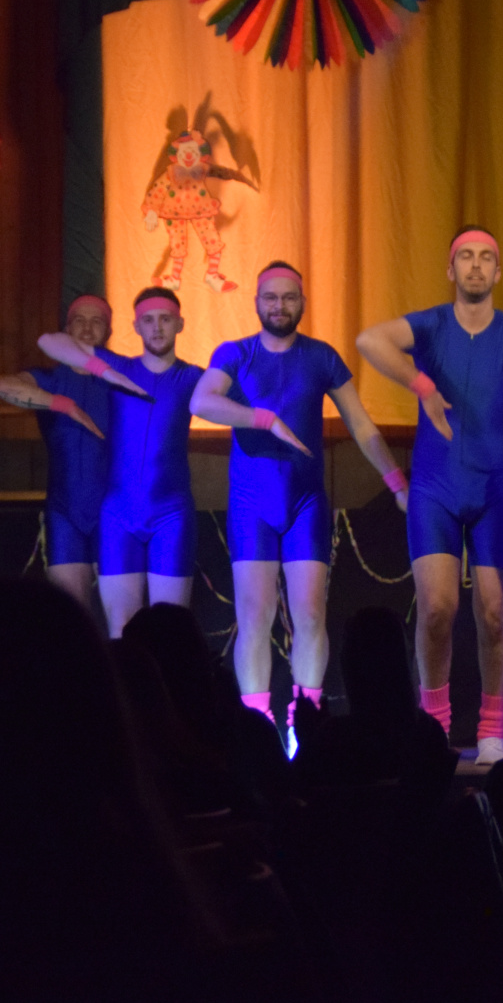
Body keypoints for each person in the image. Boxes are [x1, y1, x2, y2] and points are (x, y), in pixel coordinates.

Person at [192, 261, 406, 754]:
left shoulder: (321, 356)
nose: (280, 305)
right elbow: (201, 402)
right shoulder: (235, 353)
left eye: (289, 297)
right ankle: (257, 724)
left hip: (305, 502)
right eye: (271, 297)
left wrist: (395, 480)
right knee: (255, 614)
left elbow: (361, 425)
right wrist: (262, 419)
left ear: (303, 303)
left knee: (310, 614)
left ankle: (304, 719)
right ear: (256, 302)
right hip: (251, 504)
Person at [356, 226, 503, 765]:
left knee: (495, 614)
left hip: (494, 488)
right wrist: (422, 384)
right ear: (451, 270)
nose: (475, 265)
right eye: (465, 257)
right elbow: (368, 341)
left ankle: (493, 729)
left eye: (486, 258)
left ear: (498, 272)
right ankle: (434, 727)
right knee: (436, 610)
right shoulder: (430, 324)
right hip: (435, 488)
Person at [37, 288, 201, 637]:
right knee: (121, 629)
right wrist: (106, 372)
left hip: (171, 517)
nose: (157, 327)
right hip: (118, 517)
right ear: (136, 327)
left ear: (180, 324)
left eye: (165, 319)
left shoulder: (193, 378)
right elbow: (48, 342)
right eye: (148, 320)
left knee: (170, 630)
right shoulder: (118, 368)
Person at [0, 294, 112, 615]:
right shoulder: (50, 380)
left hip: (114, 511)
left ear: (109, 331)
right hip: (65, 512)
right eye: (79, 321)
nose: (86, 329)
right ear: (66, 329)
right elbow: (3, 386)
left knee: (122, 620)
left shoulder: (119, 381)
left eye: (96, 322)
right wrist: (62, 404)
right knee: (71, 618)